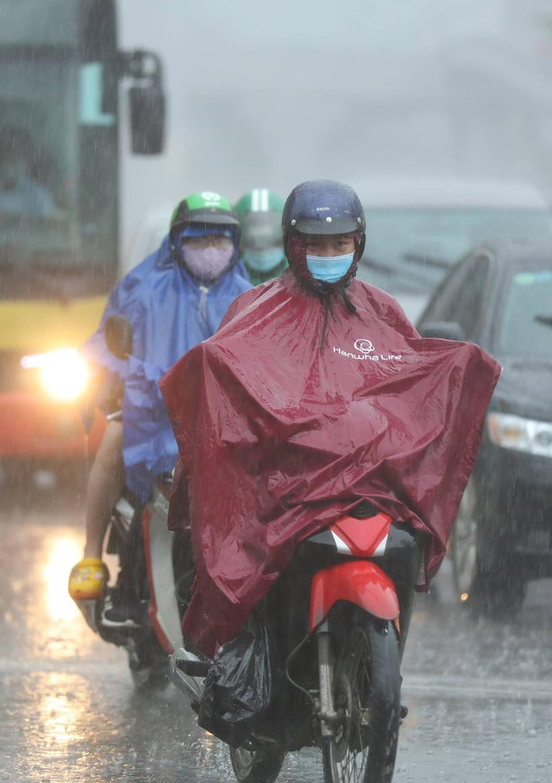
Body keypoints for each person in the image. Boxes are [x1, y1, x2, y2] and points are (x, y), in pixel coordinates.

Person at [160, 179, 501, 655]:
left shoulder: (382, 311)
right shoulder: (253, 309)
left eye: (339, 243)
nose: (328, 252)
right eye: (315, 244)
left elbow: (408, 393)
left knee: (403, 548)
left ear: (357, 244)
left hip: (371, 488)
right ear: (292, 245)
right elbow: (225, 396)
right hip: (285, 487)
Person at [69, 192, 251, 623]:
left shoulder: (251, 298)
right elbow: (105, 345)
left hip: (222, 425)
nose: (210, 250)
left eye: (220, 240)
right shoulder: (142, 289)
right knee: (114, 439)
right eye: (199, 239)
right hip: (154, 414)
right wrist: (126, 381)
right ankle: (91, 556)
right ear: (176, 242)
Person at [232, 188, 288, 284]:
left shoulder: (298, 278)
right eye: (252, 241)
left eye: (269, 240)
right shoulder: (233, 283)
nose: (262, 251)